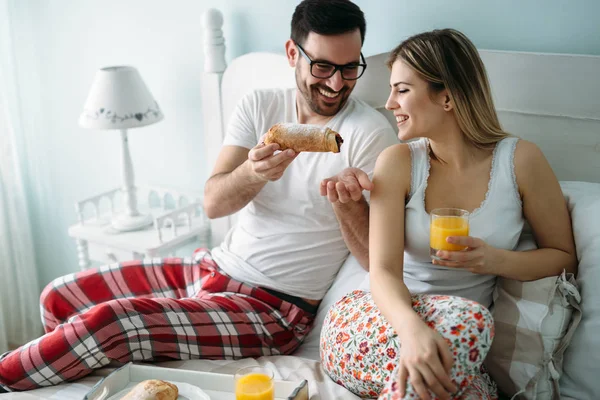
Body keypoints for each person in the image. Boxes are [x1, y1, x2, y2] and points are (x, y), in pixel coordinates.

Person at [0, 0, 397, 392]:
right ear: (292, 53)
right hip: (213, 267)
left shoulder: (368, 133)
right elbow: (214, 203)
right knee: (60, 296)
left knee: (109, 324)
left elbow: (375, 260)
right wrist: (252, 173)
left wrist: (347, 207)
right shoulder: (260, 104)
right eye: (323, 66)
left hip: (274, 310)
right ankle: (85, 385)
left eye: (349, 68)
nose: (336, 84)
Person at [320, 29, 577, 400]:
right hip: (373, 323)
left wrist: (493, 259)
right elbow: (384, 272)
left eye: (402, 89)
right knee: (471, 319)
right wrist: (413, 332)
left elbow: (562, 257)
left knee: (478, 392)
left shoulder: (521, 161)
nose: (389, 103)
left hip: (457, 341)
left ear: (448, 97)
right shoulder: (398, 162)